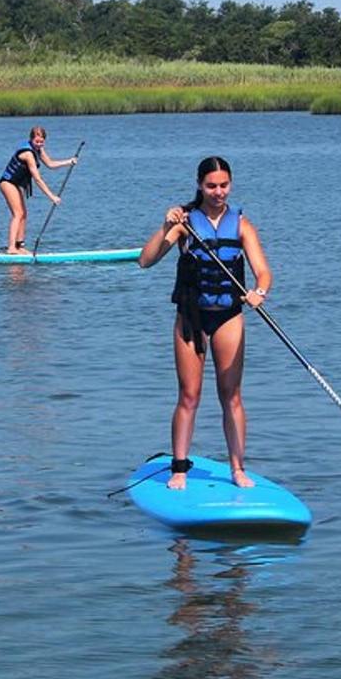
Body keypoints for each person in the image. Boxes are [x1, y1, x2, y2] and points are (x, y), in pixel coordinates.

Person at [138, 157, 273, 490]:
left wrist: (260, 292)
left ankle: (238, 469)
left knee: (232, 395)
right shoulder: (185, 222)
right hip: (191, 317)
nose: (218, 192)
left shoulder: (242, 224)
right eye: (211, 186)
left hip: (228, 315)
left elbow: (263, 272)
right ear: (200, 185)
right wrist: (165, 226)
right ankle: (180, 468)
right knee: (189, 395)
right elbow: (145, 260)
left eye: (224, 185)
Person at [0, 126, 78, 254]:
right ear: (31, 139)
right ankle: (11, 248)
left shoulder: (39, 149)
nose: (39, 144)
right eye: (37, 142)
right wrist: (52, 197)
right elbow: (37, 179)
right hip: (7, 183)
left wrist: (69, 162)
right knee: (17, 214)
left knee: (24, 214)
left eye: (42, 142)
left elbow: (50, 164)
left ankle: (20, 246)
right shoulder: (28, 154)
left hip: (16, 184)